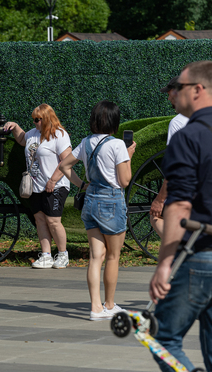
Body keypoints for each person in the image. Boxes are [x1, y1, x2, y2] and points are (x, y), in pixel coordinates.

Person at [149, 61, 212, 371]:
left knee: (162, 337)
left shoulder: (189, 136)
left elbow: (180, 205)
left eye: (180, 87)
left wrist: (165, 263)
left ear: (198, 90)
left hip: (201, 254)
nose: (174, 93)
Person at [59, 101, 136, 321]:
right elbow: (124, 180)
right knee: (113, 256)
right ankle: (109, 305)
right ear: (114, 121)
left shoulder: (85, 142)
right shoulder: (118, 145)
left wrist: (82, 185)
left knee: (95, 257)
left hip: (90, 200)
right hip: (111, 202)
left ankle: (95, 308)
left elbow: (64, 166)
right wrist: (128, 156)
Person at [5, 104, 83, 269]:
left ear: (47, 119)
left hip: (56, 185)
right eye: (33, 120)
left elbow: (66, 161)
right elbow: (20, 139)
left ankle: (62, 254)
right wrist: (15, 126)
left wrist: (53, 180)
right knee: (40, 220)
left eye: (38, 120)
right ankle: (46, 255)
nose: (35, 123)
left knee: (53, 221)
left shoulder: (59, 135)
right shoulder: (33, 134)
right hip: (35, 185)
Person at [149, 76, 189, 238]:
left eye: (170, 93)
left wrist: (159, 199)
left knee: (156, 216)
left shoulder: (178, 122)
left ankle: (179, 252)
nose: (168, 98)